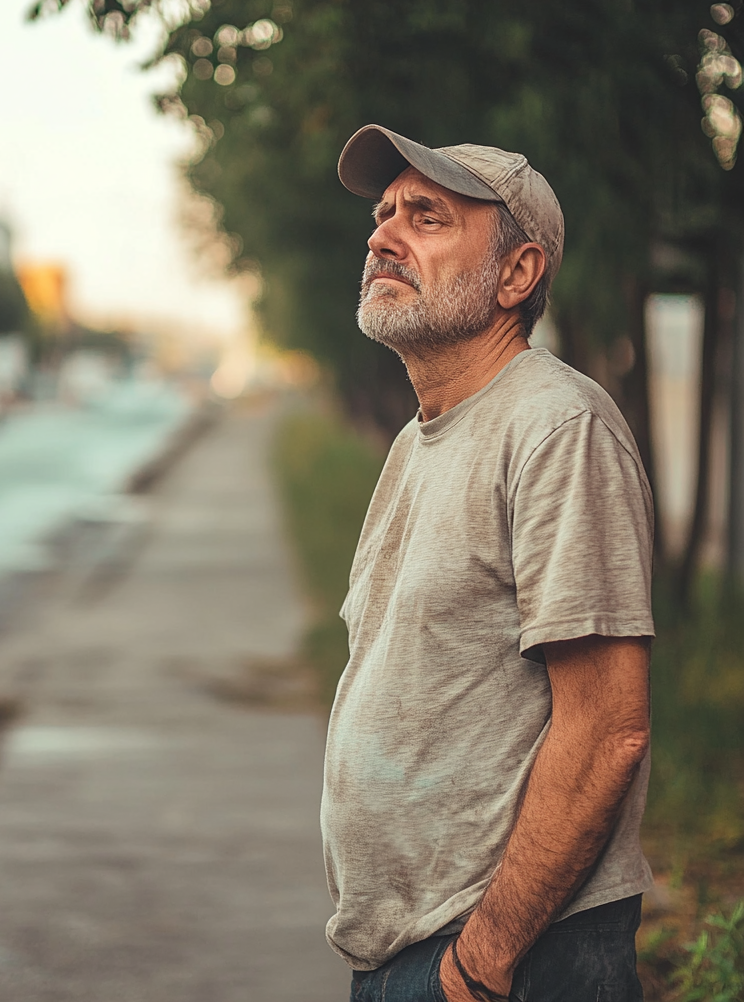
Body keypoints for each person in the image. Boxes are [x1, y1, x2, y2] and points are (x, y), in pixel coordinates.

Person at [321, 125, 655, 1002]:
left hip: (514, 954)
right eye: (384, 214)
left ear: (517, 275)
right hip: (413, 950)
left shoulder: (554, 428)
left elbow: (608, 727)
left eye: (426, 217)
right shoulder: (418, 441)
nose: (382, 235)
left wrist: (483, 962)